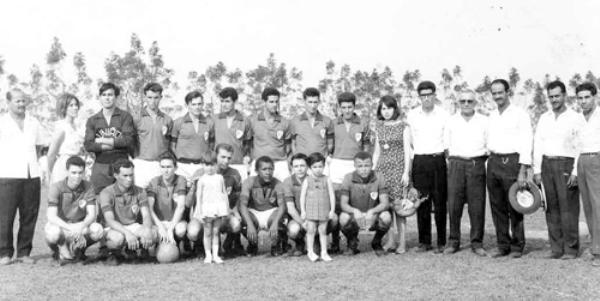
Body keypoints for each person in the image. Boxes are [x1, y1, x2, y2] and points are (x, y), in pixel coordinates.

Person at [533, 80, 585, 260]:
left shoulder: (575, 117)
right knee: (551, 207)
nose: (554, 99)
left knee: (568, 208)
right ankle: (556, 248)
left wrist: (575, 172)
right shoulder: (544, 117)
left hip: (566, 163)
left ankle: (570, 249)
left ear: (564, 96)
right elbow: (538, 143)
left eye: (557, 96)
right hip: (547, 164)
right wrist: (537, 169)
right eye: (551, 97)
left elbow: (580, 146)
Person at [486, 79, 533, 259]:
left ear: (508, 92)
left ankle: (517, 245)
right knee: (497, 206)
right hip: (494, 162)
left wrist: (523, 169)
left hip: (512, 161)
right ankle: (502, 245)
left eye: (500, 92)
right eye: (494, 93)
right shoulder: (491, 115)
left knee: (515, 204)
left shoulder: (520, 114)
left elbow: (527, 141)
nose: (497, 96)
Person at [0, 89, 45, 265]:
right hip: (7, 175)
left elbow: (40, 146)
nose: (21, 104)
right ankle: (4, 253)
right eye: (17, 101)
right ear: (8, 102)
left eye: (23, 101)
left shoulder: (33, 122)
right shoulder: (2, 122)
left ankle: (24, 252)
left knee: (29, 214)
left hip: (31, 174)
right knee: (5, 216)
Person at [443, 90, 489, 256]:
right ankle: (453, 241)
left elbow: (489, 145)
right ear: (458, 103)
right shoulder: (451, 121)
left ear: (475, 103)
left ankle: (477, 243)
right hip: (456, 164)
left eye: (470, 101)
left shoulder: (484, 121)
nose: (467, 104)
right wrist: (453, 164)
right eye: (463, 101)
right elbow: (446, 146)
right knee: (454, 205)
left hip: (477, 163)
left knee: (477, 206)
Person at [406, 81, 449, 254]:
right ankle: (424, 242)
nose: (426, 98)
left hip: (438, 160)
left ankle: (441, 241)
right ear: (419, 97)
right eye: (423, 95)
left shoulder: (444, 114)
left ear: (434, 95)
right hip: (420, 161)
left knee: (440, 202)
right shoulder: (412, 115)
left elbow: (447, 140)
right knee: (421, 202)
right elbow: (410, 141)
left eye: (429, 95)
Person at [328, 92, 370, 254]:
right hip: (337, 165)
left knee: (353, 204)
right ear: (339, 107)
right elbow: (329, 145)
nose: (346, 110)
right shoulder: (333, 123)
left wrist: (364, 165)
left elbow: (366, 147)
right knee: (336, 204)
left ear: (354, 106)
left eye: (349, 107)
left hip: (354, 166)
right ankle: (335, 241)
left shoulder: (363, 123)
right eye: (343, 107)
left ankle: (353, 241)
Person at [44, 156, 103, 265]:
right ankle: (57, 250)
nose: (77, 176)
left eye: (80, 172)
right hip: (63, 226)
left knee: (97, 230)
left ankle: (79, 250)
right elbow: (51, 216)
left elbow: (92, 215)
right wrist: (71, 228)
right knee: (53, 233)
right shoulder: (56, 187)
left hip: (80, 225)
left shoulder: (88, 186)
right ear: (67, 171)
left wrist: (81, 226)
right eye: (74, 172)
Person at [373, 95, 411, 254]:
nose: (386, 112)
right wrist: (374, 172)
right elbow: (377, 151)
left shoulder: (404, 126)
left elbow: (408, 151)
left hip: (398, 170)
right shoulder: (379, 127)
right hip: (383, 171)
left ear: (395, 109)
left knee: (400, 208)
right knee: (386, 207)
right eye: (383, 108)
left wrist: (406, 172)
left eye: (389, 108)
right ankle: (390, 241)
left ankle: (402, 243)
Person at [99, 159, 155, 265]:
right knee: (118, 239)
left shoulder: (140, 191)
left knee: (152, 233)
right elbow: (110, 220)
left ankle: (141, 250)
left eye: (131, 175)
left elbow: (146, 215)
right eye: (125, 176)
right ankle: (114, 253)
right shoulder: (106, 192)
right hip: (114, 228)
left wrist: (147, 229)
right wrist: (127, 233)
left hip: (133, 225)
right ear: (116, 175)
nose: (129, 179)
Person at [84, 83, 135, 194]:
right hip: (101, 165)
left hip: (122, 165)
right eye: (104, 95)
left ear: (116, 97)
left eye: (110, 95)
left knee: (124, 199)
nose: (107, 98)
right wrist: (116, 143)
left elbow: (128, 140)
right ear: (100, 97)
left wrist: (102, 140)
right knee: (99, 199)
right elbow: (88, 145)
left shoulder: (125, 116)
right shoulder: (93, 120)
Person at [339, 151, 392, 256]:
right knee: (343, 218)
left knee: (386, 217)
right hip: (355, 216)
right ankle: (352, 243)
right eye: (360, 166)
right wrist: (355, 211)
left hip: (372, 216)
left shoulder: (379, 177)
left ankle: (376, 242)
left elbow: (385, 203)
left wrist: (372, 211)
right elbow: (343, 204)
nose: (363, 169)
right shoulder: (348, 178)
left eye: (367, 165)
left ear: (372, 165)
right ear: (355, 166)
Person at [239, 156, 287, 256]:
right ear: (257, 170)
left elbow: (282, 206)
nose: (268, 172)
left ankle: (276, 244)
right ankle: (252, 244)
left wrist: (275, 223)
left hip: (270, 212)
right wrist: (250, 225)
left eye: (270, 169)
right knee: (243, 219)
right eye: (264, 169)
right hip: (254, 212)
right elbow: (242, 205)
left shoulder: (278, 183)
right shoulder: (249, 182)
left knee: (278, 218)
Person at [575, 82, 600, 266]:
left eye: (587, 97)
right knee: (589, 207)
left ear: (595, 97)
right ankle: (595, 246)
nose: (583, 101)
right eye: (580, 98)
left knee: (598, 205)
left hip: (596, 159)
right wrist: (576, 170)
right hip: (582, 161)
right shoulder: (578, 119)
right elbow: (576, 145)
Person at [132, 83, 173, 188]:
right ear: (145, 97)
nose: (152, 101)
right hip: (141, 164)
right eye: (149, 97)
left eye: (156, 98)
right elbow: (130, 141)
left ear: (161, 98)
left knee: (160, 200)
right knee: (141, 198)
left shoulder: (167, 119)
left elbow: (170, 144)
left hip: (160, 165)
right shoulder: (137, 118)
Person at [191, 153, 230, 264]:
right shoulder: (201, 180)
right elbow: (198, 197)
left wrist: (226, 208)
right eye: (207, 165)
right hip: (206, 209)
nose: (210, 168)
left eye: (212, 165)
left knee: (216, 232)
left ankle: (216, 255)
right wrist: (199, 211)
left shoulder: (220, 178)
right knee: (207, 232)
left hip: (218, 207)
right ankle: (208, 255)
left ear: (216, 165)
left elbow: (224, 193)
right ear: (203, 165)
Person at [146, 153, 188, 251]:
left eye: (169, 167)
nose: (166, 170)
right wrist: (160, 227)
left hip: (175, 221)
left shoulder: (181, 180)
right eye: (163, 167)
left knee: (181, 231)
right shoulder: (154, 182)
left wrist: (170, 229)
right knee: (152, 238)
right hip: (159, 222)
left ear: (175, 167)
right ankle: (156, 245)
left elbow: (181, 206)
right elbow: (149, 208)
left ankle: (179, 242)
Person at [248, 87, 292, 181]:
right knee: (255, 191)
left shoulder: (285, 122)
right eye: (271, 102)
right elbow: (249, 143)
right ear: (264, 102)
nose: (275, 104)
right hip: (259, 163)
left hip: (279, 164)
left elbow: (288, 146)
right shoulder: (252, 120)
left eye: (277, 102)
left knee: (286, 190)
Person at [171, 90, 215, 182]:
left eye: (199, 104)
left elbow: (211, 146)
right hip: (182, 166)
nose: (197, 107)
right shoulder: (178, 122)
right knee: (181, 194)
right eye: (193, 104)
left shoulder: (209, 123)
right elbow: (172, 146)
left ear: (203, 104)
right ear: (187, 105)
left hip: (201, 166)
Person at [300, 152, 337, 262]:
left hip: (323, 209)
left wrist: (332, 210)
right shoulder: (307, 180)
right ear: (310, 168)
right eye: (315, 167)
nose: (318, 169)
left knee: (323, 230)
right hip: (311, 210)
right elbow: (302, 196)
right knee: (311, 230)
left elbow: (331, 195)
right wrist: (303, 211)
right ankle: (310, 252)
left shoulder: (327, 179)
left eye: (320, 166)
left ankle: (324, 252)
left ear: (324, 166)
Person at [213, 87, 252, 181]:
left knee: (239, 194)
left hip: (238, 164)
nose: (224, 104)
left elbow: (248, 143)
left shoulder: (245, 120)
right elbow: (210, 142)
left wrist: (247, 158)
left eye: (227, 101)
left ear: (235, 102)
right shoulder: (214, 119)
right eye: (222, 101)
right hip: (218, 166)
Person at [47, 93, 85, 184]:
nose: (75, 108)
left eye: (76, 105)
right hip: (63, 168)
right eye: (71, 105)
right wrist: (50, 174)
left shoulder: (78, 127)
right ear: (64, 108)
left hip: (77, 167)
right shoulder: (61, 127)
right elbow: (51, 155)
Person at [290, 88, 334, 158]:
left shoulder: (327, 121)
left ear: (319, 102)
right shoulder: (295, 121)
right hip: (302, 164)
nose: (313, 106)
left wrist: (324, 158)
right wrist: (297, 158)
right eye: (310, 102)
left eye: (315, 102)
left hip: (319, 164)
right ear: (304, 101)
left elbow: (330, 144)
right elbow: (293, 144)